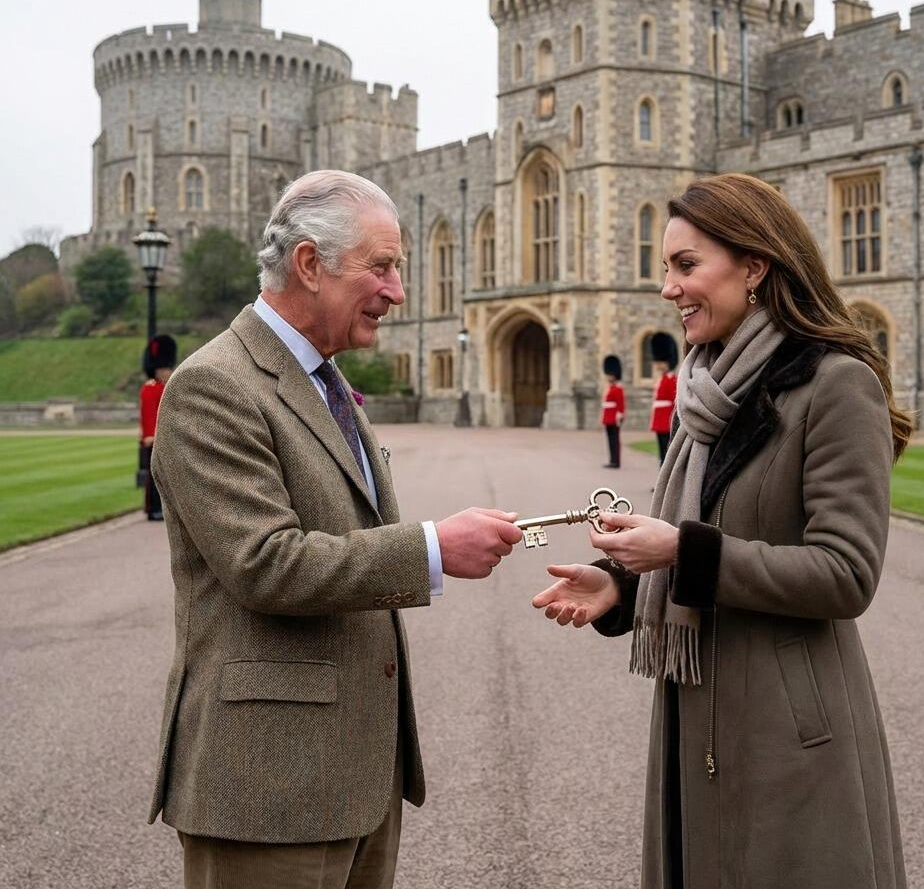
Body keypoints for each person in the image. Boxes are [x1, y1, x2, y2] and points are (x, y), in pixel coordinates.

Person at [533, 174, 911, 889]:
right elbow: (704, 531)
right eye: (665, 268)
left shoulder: (835, 384)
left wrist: (681, 551)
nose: (667, 288)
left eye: (686, 265)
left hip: (786, 724)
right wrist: (621, 586)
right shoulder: (708, 390)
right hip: (695, 704)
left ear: (755, 267)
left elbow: (846, 574)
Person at [149, 170, 523, 889]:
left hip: (358, 774)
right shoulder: (214, 385)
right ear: (309, 264)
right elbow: (266, 563)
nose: (398, 291)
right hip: (267, 787)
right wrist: (433, 548)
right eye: (380, 267)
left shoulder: (326, 382)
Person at [138, 334, 177, 521]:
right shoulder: (150, 388)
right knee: (154, 476)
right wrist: (149, 435)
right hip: (154, 437)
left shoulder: (167, 387)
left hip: (167, 437)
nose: (168, 371)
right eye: (164, 369)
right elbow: (148, 414)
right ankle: (153, 508)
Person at [648, 333, 678, 465]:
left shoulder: (672, 379)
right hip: (659, 420)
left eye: (661, 362)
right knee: (661, 451)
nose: (658, 365)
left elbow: (675, 402)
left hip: (666, 420)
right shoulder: (662, 379)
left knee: (666, 450)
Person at [601, 354, 625, 468]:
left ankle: (616, 461)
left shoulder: (618, 388)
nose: (609, 377)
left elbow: (620, 404)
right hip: (608, 416)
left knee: (615, 440)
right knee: (610, 440)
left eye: (610, 375)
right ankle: (612, 460)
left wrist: (619, 416)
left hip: (614, 417)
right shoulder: (610, 387)